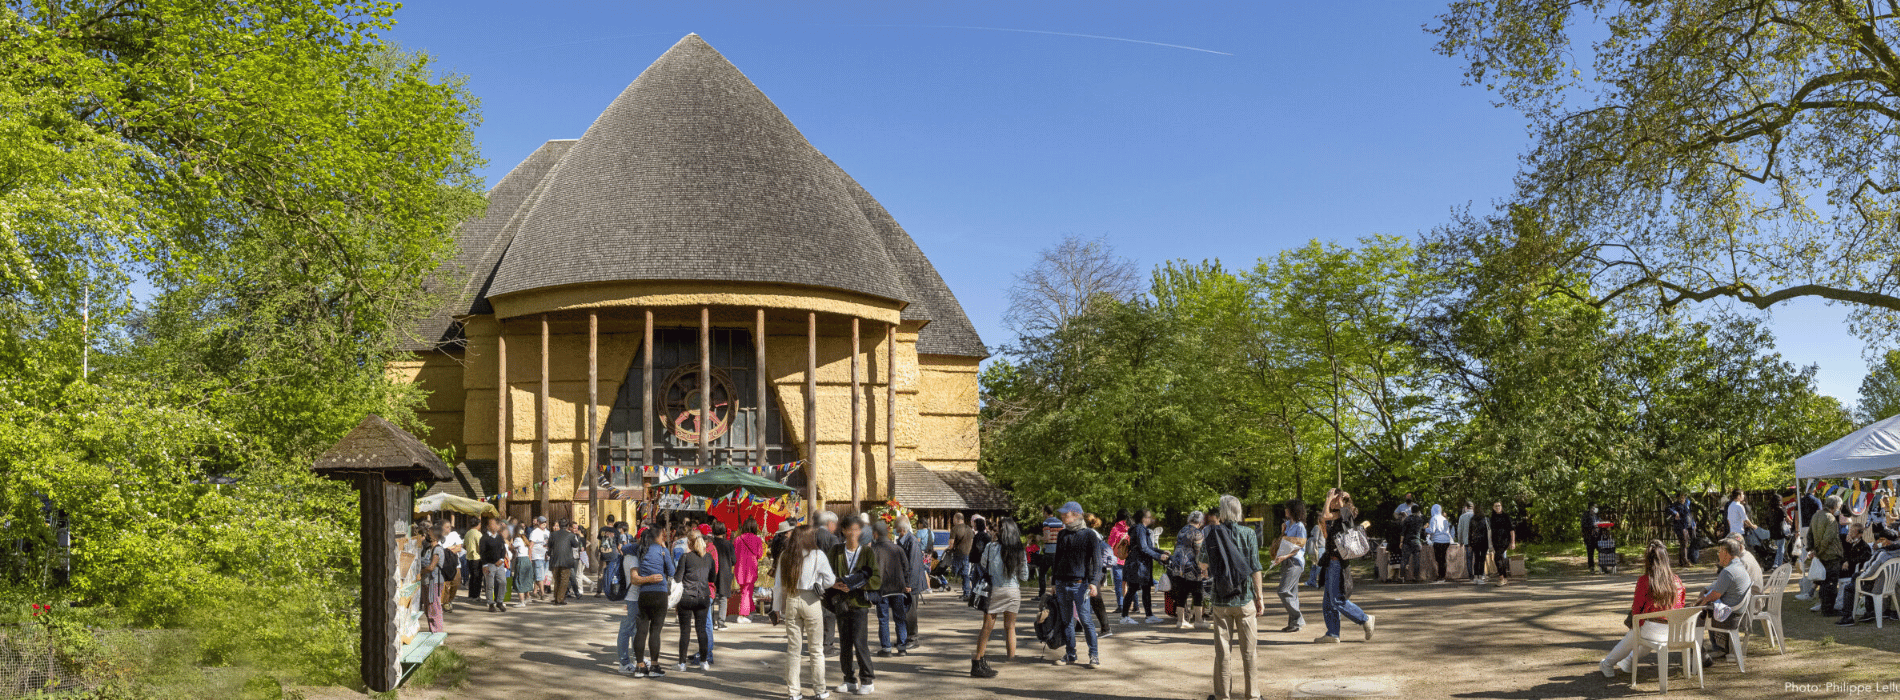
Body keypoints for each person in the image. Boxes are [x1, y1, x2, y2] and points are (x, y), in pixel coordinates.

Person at [1201, 495, 1265, 700]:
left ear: (1221, 513)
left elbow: (1202, 564)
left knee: (1222, 652)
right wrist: (1259, 597)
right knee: (1249, 651)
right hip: (1245, 598)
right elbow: (1255, 568)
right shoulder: (1249, 534)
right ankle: (1253, 695)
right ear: (1238, 512)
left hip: (1220, 600)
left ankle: (1222, 696)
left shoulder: (1210, 534)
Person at [1598, 540, 1684, 677]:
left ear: (1648, 561)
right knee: (1643, 635)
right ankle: (1628, 661)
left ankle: (1607, 663)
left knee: (1635, 634)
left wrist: (1635, 625)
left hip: (1652, 629)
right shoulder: (1677, 580)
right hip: (1673, 631)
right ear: (1666, 559)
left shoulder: (1645, 581)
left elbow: (1636, 610)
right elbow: (1681, 605)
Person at [774, 524, 835, 700]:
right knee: (816, 649)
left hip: (792, 599)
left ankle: (793, 692)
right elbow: (830, 579)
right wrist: (820, 584)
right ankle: (820, 689)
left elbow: (778, 586)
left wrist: (777, 608)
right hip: (812, 601)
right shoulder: (818, 555)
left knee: (793, 649)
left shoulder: (785, 555)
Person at [828, 514, 880, 696]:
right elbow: (825, 574)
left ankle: (867, 679)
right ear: (843, 531)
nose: (853, 533)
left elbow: (876, 578)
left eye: (857, 529)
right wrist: (835, 584)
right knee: (844, 643)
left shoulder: (866, 552)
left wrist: (858, 583)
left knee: (860, 642)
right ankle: (848, 679)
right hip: (841, 604)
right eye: (849, 529)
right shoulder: (836, 551)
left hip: (859, 604)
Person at [970, 517, 1028, 677]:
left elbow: (983, 565)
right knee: (1010, 627)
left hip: (994, 590)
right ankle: (1011, 660)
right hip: (1013, 591)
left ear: (1000, 532)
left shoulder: (990, 547)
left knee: (987, 628)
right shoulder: (1019, 550)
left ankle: (978, 660)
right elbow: (1024, 576)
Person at [1315, 489, 1375, 643]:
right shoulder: (1336, 516)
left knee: (1337, 600)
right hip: (1330, 561)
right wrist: (1329, 501)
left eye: (1336, 498)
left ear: (1342, 499)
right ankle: (1333, 634)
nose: (1331, 500)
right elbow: (1323, 520)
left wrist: (1331, 498)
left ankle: (1365, 618)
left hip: (1338, 562)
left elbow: (1325, 516)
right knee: (1328, 602)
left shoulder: (1347, 512)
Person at [1049, 501, 1101, 668]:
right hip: (1062, 583)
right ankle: (1071, 654)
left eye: (1066, 514)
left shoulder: (1089, 535)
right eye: (1062, 513)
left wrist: (1093, 582)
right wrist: (1054, 581)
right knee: (1066, 621)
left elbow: (1097, 562)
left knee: (1086, 621)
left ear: (1076, 515)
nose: (1062, 516)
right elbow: (1057, 559)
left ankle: (1094, 655)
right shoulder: (1062, 534)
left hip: (1080, 585)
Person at [620, 524, 674, 678]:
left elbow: (624, 549)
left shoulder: (639, 549)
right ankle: (655, 666)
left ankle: (639, 666)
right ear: (659, 536)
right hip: (660, 593)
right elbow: (671, 572)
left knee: (641, 631)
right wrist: (664, 550)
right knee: (655, 631)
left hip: (644, 594)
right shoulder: (663, 551)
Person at [1694, 538, 1752, 662]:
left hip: (1729, 616)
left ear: (1725, 552)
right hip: (1737, 612)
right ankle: (1715, 648)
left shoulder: (1728, 572)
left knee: (1695, 615)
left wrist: (1698, 603)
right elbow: (1717, 586)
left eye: (1719, 551)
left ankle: (1698, 654)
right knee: (1705, 607)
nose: (1718, 555)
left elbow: (1714, 595)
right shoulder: (1739, 567)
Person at [674, 529, 717, 671]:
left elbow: (678, 578)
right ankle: (704, 661)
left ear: (689, 543)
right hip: (703, 596)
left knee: (685, 631)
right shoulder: (709, 558)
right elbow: (712, 578)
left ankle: (682, 663)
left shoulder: (685, 557)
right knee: (702, 630)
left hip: (686, 596)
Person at [1842, 526, 1900, 625]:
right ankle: (1871, 611)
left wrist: (1861, 575)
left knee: (1850, 586)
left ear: (1887, 541)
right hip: (1890, 584)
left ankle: (1848, 617)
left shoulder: (1883, 554)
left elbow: (1871, 571)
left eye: (1881, 540)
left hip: (1878, 586)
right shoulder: (1897, 552)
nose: (1878, 541)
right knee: (1861, 578)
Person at [1119, 509, 1168, 625]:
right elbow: (1143, 548)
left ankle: (1149, 615)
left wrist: (1162, 551)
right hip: (1137, 565)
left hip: (1141, 565)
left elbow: (1149, 547)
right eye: (1149, 517)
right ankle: (1124, 617)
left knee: (1146, 590)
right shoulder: (1140, 529)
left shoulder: (1141, 529)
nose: (1151, 519)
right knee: (1132, 589)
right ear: (1144, 518)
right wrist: (1158, 556)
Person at [871, 521, 912, 657]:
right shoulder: (897, 548)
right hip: (898, 588)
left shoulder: (874, 550)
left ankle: (886, 648)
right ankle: (902, 647)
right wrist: (906, 584)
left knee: (883, 620)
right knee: (900, 618)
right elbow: (906, 568)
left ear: (875, 534)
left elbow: (869, 571)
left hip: (882, 589)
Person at [1168, 510, 1209, 630]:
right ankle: (1198, 620)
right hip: (1190, 566)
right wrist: (1203, 568)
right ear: (1201, 522)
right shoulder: (1197, 533)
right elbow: (1199, 553)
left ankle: (1181, 621)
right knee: (1198, 592)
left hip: (1177, 565)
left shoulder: (1182, 531)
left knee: (1182, 592)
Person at [1272, 500, 1308, 631]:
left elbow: (1299, 546)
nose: (1285, 511)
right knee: (1292, 593)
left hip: (1295, 562)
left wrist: (1284, 556)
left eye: (1287, 509)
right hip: (1285, 561)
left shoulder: (1300, 527)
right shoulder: (1287, 524)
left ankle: (1298, 618)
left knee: (1283, 590)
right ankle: (1294, 624)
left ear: (1293, 510)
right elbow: (1284, 543)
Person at [894, 516, 926, 649]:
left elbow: (913, 565)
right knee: (904, 610)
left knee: (911, 611)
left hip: (912, 583)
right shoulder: (903, 540)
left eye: (896, 527)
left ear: (901, 529)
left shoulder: (912, 541)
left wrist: (909, 585)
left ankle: (913, 637)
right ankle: (905, 636)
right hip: (905, 581)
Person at [1811, 495, 1846, 618]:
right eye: (1839, 506)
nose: (1840, 508)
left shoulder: (1816, 515)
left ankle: (1825, 607)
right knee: (1830, 583)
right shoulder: (1830, 518)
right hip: (1831, 555)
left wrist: (1812, 550)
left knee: (1823, 583)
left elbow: (1810, 534)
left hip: (1821, 554)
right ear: (1835, 506)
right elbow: (1828, 538)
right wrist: (1820, 551)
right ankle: (1828, 609)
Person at [816, 511, 843, 654]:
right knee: (829, 614)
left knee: (817, 613)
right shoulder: (832, 539)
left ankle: (818, 643)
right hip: (829, 581)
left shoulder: (809, 536)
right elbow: (837, 562)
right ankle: (827, 645)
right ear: (830, 524)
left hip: (812, 581)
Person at [734, 519, 766, 623]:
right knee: (746, 591)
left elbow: (734, 554)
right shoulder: (757, 540)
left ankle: (750, 610)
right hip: (751, 568)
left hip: (740, 568)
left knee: (745, 590)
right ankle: (743, 615)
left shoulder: (737, 539)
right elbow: (760, 555)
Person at [479, 517, 511, 613]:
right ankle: (491, 603)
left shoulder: (499, 537)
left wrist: (502, 559)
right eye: (492, 524)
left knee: (503, 582)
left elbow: (503, 549)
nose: (495, 526)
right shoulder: (484, 538)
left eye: (496, 524)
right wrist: (484, 565)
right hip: (489, 564)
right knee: (489, 585)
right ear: (488, 526)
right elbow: (482, 552)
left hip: (499, 564)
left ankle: (500, 601)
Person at [417, 523, 445, 633]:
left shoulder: (437, 549)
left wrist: (420, 573)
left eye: (430, 533)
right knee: (428, 608)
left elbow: (431, 567)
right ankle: (433, 630)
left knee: (434, 608)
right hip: (428, 582)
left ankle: (437, 633)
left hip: (434, 582)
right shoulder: (429, 548)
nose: (428, 534)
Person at [711, 520, 737, 630]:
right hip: (725, 573)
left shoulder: (711, 544)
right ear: (724, 531)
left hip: (712, 572)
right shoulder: (728, 544)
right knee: (723, 598)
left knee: (711, 597)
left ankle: (711, 621)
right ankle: (721, 622)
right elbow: (734, 560)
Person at [548, 519, 578, 606]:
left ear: (559, 525)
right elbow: (576, 545)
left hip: (555, 560)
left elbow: (549, 545)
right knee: (564, 580)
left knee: (557, 580)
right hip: (566, 560)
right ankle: (559, 599)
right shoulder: (571, 535)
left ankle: (556, 597)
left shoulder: (553, 534)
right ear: (567, 526)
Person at [1106, 509, 1131, 615]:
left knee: (1119, 584)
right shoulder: (1131, 528)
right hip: (1129, 558)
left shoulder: (1115, 528)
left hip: (1117, 558)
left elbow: (1110, 544)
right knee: (1130, 583)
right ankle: (1136, 606)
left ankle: (1121, 606)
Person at [1487, 502, 1515, 587]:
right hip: (1496, 542)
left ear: (1501, 507)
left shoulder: (1506, 516)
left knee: (1496, 558)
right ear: (1493, 507)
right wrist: (1491, 542)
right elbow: (1491, 531)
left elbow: (1512, 530)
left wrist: (1513, 542)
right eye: (1496, 506)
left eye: (1499, 506)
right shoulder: (1492, 517)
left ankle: (1501, 577)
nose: (1498, 507)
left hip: (1504, 540)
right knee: (1501, 559)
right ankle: (1505, 578)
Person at [1667, 492, 1698, 567]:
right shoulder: (1675, 505)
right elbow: (1669, 509)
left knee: (1689, 542)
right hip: (1681, 526)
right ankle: (1685, 561)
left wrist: (1693, 524)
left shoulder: (1687, 504)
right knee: (1684, 544)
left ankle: (1684, 561)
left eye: (1683, 497)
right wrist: (1675, 513)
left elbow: (1689, 514)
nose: (1682, 498)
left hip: (1690, 525)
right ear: (1677, 498)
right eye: (1680, 497)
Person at [439, 519, 463, 612]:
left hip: (455, 564)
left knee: (455, 583)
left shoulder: (454, 535)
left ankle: (450, 600)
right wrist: (452, 548)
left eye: (450, 527)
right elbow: (439, 550)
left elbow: (459, 548)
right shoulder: (438, 537)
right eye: (447, 527)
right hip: (444, 564)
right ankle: (445, 603)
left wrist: (447, 549)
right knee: (446, 584)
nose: (449, 529)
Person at [950, 512, 975, 600]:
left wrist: (949, 549)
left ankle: (965, 591)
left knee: (957, 572)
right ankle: (966, 592)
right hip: (968, 554)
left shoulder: (954, 529)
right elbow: (972, 541)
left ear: (957, 519)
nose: (953, 521)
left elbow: (951, 543)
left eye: (953, 519)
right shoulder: (969, 529)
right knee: (966, 574)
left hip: (958, 554)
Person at [1425, 504, 1452, 583]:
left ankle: (1441, 576)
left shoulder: (1434, 518)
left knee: (1439, 559)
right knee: (1443, 558)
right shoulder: (1444, 519)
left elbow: (1432, 530)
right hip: (1446, 541)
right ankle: (1442, 576)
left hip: (1438, 541)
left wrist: (1426, 529)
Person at [510, 522, 535, 607]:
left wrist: (510, 540)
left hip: (521, 560)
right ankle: (528, 597)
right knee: (526, 579)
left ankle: (521, 601)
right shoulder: (525, 539)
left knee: (519, 579)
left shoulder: (517, 540)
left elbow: (511, 547)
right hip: (527, 559)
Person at [1467, 502, 1490, 585]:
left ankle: (1475, 577)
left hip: (1475, 542)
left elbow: (1469, 532)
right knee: (1482, 559)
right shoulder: (1485, 519)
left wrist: (1470, 544)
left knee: (1476, 559)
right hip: (1484, 541)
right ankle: (1480, 576)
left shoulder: (1472, 519)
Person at [1400, 506, 1425, 583]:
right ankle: (1416, 576)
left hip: (1407, 541)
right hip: (1416, 542)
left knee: (1404, 559)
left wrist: (1401, 542)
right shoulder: (1420, 520)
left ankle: (1402, 577)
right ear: (1418, 511)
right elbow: (1421, 531)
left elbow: (1403, 532)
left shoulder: (1407, 519)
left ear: (1411, 511)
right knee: (1416, 560)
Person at [530, 515, 551, 601]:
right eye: (542, 522)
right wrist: (529, 556)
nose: (543, 524)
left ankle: (535, 592)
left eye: (545, 522)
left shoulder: (547, 532)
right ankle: (542, 593)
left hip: (546, 556)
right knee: (540, 575)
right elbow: (531, 545)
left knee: (541, 575)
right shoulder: (535, 532)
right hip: (537, 556)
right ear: (538, 523)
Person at [465, 518, 486, 604]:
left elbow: (464, 545)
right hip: (477, 557)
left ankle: (471, 595)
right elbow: (481, 546)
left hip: (469, 557)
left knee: (472, 577)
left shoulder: (467, 533)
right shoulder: (478, 534)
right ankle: (476, 595)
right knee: (477, 577)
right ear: (478, 525)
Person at [1455, 501, 1476, 582]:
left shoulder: (1462, 517)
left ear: (1466, 508)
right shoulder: (1476, 515)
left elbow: (1459, 530)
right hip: (1477, 540)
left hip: (1467, 541)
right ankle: (1480, 574)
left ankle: (1471, 575)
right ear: (1473, 507)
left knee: (1469, 559)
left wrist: (1460, 541)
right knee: (1477, 558)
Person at [1580, 505, 1601, 573]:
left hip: (1597, 537)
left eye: (1596, 508)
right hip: (1589, 537)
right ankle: (1591, 568)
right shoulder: (1586, 516)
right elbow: (1583, 525)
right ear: (1590, 508)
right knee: (1590, 553)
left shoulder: (1597, 516)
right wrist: (1592, 526)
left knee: (1601, 551)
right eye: (1593, 508)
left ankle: (1602, 566)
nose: (1595, 509)